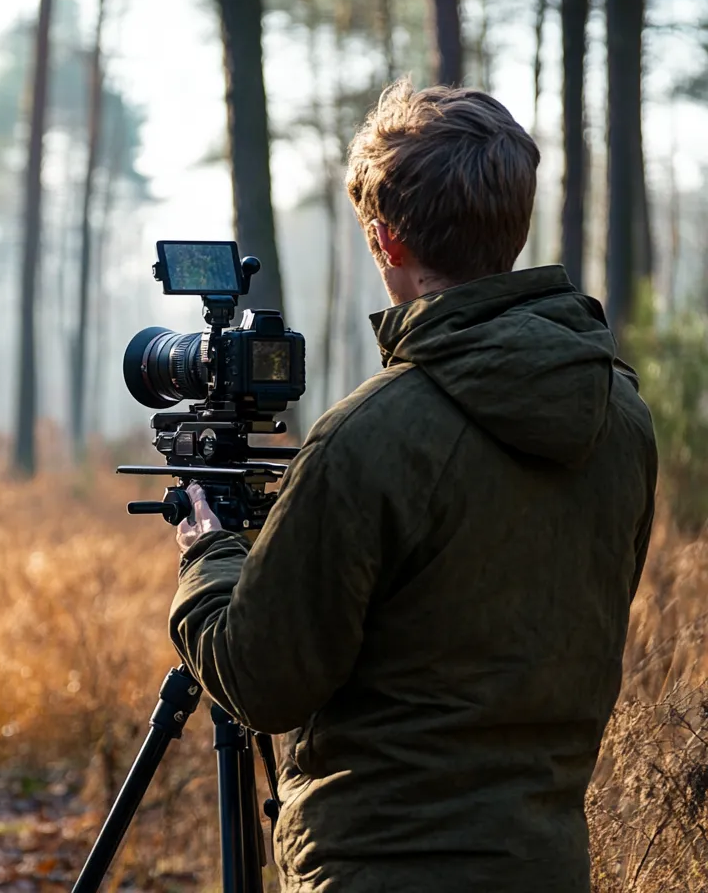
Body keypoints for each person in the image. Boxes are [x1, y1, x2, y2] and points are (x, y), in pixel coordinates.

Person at [169, 79, 658, 892]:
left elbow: (261, 682)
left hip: (376, 866)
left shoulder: (370, 434)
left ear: (385, 241)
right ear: (512, 220)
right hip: (545, 864)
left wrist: (208, 554)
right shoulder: (621, 414)